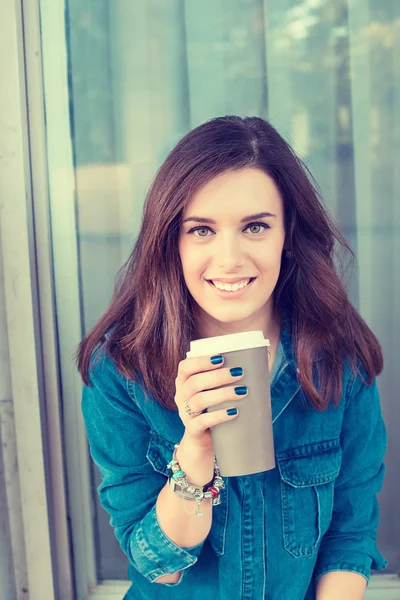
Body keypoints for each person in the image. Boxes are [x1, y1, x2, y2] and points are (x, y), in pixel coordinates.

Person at [77, 116, 387, 599]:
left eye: (255, 227)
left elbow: (349, 538)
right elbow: (157, 566)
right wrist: (195, 452)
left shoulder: (338, 357)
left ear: (288, 235)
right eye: (200, 230)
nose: (229, 259)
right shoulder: (121, 368)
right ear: (171, 241)